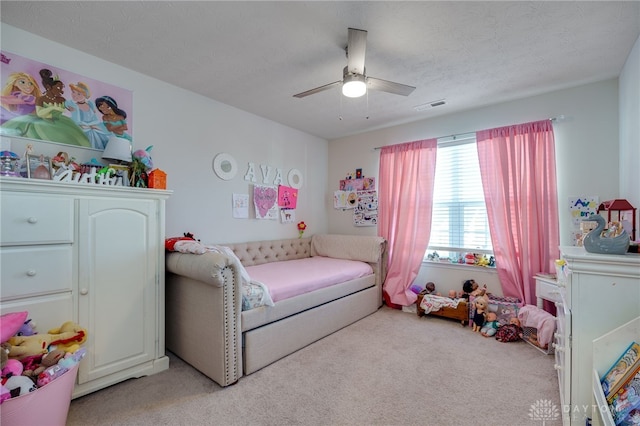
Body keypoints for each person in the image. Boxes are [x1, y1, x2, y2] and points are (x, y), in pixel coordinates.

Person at [1, 69, 91, 147]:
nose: (28, 86)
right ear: (49, 87)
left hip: (54, 121)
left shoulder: (59, 99)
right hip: (34, 120)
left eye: (30, 83)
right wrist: (52, 109)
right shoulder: (30, 98)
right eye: (58, 88)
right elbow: (39, 112)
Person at [65, 82, 109, 149]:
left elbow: (95, 118)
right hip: (82, 127)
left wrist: (94, 126)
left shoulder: (90, 104)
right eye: (73, 92)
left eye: (79, 94)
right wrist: (86, 126)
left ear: (85, 95)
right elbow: (76, 120)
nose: (74, 95)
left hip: (93, 126)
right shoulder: (74, 105)